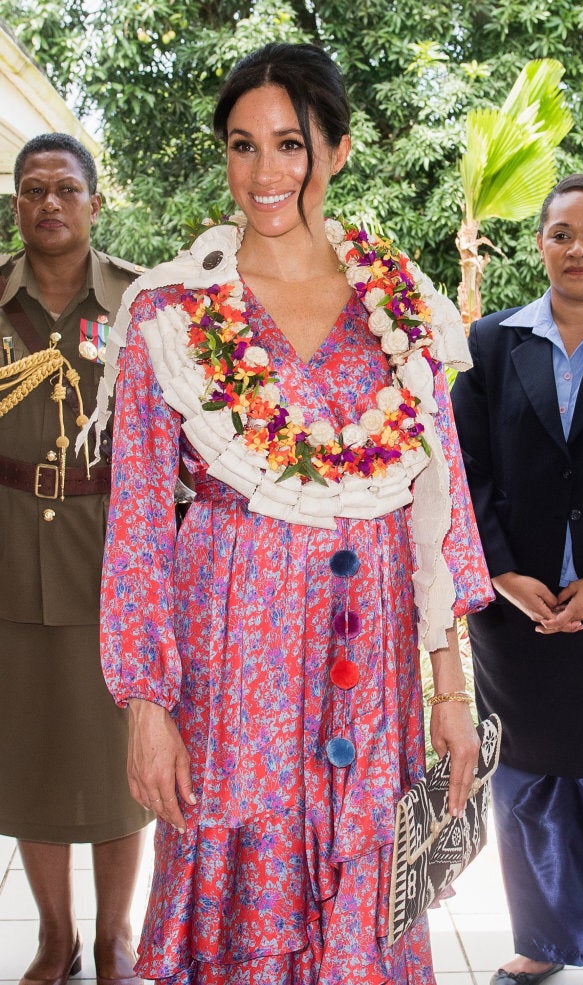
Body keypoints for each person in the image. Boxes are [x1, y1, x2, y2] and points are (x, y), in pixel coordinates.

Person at [99, 42, 493, 984]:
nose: (264, 173)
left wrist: (451, 690)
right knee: (246, 891)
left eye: (289, 144)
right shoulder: (172, 312)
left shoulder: (402, 307)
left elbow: (440, 505)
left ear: (339, 150)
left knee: (362, 889)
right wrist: (146, 710)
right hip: (237, 655)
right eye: (242, 146)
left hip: (370, 664)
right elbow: (141, 526)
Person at [451, 174, 583, 985]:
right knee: (528, 781)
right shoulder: (488, 347)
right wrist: (504, 570)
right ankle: (544, 938)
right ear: (540, 246)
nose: (578, 249)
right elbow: (463, 469)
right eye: (562, 233)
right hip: (517, 612)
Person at [0, 133, 153, 985]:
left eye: (65, 188)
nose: (48, 203)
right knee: (31, 756)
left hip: (114, 557)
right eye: (31, 190)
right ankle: (54, 937)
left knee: (120, 764)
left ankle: (114, 939)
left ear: (95, 202)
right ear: (17, 204)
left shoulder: (139, 302)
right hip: (10, 554)